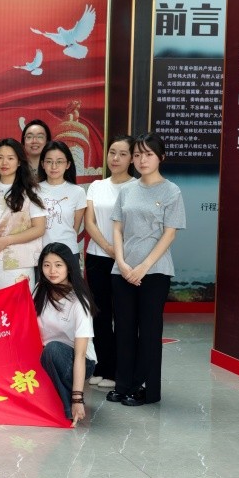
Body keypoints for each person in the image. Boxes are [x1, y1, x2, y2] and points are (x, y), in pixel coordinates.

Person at [107, 133, 185, 407]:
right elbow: (117, 228)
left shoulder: (171, 191)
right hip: (123, 271)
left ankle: (146, 389)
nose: (142, 160)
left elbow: (169, 233)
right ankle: (123, 384)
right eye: (138, 154)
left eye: (148, 154)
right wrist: (122, 262)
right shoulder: (127, 190)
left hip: (155, 272)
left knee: (149, 332)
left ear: (161, 157)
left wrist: (143, 266)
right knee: (124, 330)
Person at [84, 135, 136, 388]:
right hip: (97, 256)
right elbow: (89, 222)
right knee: (99, 314)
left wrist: (119, 253)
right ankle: (103, 366)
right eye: (112, 152)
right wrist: (107, 247)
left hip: (126, 261)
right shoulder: (96, 185)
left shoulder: (136, 187)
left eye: (123, 154)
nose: (115, 158)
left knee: (123, 316)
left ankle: (120, 371)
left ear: (132, 159)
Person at [33, 242, 97, 426]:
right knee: (46, 352)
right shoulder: (39, 290)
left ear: (69, 267)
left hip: (78, 361)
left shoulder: (79, 302)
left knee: (53, 349)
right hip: (46, 357)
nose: (52, 271)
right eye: (46, 265)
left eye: (58, 265)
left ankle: (68, 408)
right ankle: (55, 403)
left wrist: (78, 397)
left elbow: (80, 355)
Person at [0, 138, 46, 292]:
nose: (4, 163)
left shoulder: (30, 191)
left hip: (18, 263)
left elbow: (39, 228)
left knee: (17, 305)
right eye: (0, 157)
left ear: (19, 162)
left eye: (10, 158)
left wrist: (7, 240)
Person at [37, 140, 86, 257]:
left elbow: (74, 229)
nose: (54, 166)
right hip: (40, 253)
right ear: (42, 164)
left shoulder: (78, 192)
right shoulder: (33, 190)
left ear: (68, 164)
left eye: (59, 162)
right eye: (49, 161)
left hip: (68, 252)